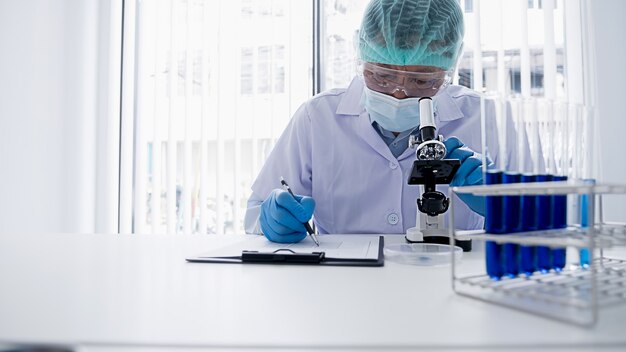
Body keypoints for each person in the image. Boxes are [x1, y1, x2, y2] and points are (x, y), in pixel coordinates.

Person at [244, 0, 516, 243]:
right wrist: (273, 219)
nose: (399, 93)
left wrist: (505, 208)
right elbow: (258, 211)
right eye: (381, 77)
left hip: (451, 281)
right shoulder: (318, 117)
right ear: (362, 58)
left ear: (449, 68)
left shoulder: (487, 119)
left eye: (422, 81)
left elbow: (547, 223)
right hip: (342, 286)